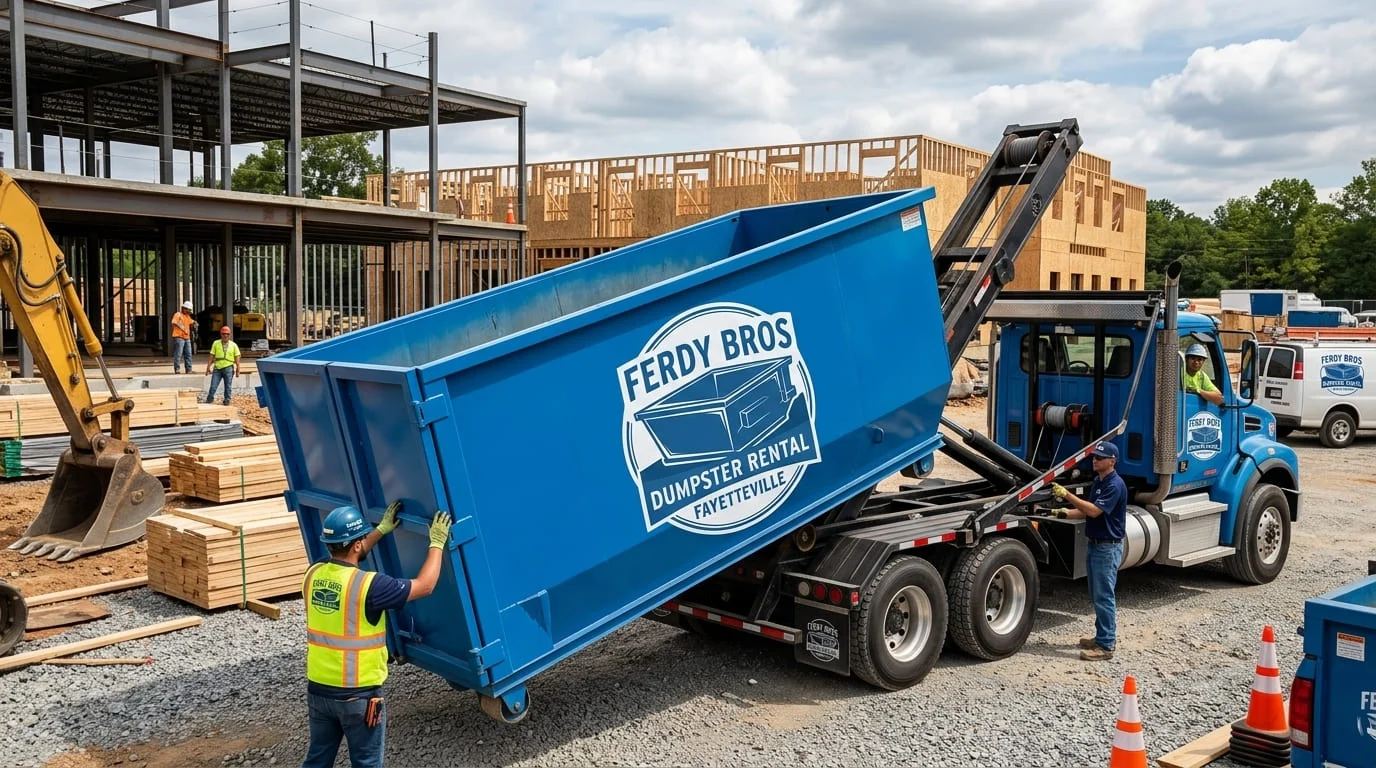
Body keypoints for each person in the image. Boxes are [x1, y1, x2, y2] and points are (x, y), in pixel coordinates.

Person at [302, 503, 452, 768]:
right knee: (367, 763)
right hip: (357, 696)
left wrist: (381, 530)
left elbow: (349, 555)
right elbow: (425, 586)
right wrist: (437, 543)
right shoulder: (370, 586)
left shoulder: (313, 574)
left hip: (318, 691)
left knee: (317, 761)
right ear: (357, 545)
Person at [1049, 441, 1128, 661]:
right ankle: (1101, 636)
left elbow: (1093, 511)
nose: (1095, 460)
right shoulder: (1099, 481)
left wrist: (1067, 495)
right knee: (1097, 594)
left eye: (1100, 458)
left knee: (1104, 596)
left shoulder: (1114, 485)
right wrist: (1063, 513)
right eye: (1094, 457)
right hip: (1096, 544)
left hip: (1107, 547)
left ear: (1112, 461)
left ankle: (1106, 645)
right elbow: (1085, 512)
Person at [204, 326, 241, 405]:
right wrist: (208, 367)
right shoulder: (216, 343)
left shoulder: (233, 345)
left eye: (227, 334)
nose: (225, 336)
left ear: (229, 335)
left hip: (228, 367)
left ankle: (227, 400)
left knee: (228, 386)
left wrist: (238, 369)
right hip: (217, 367)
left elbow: (237, 357)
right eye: (224, 334)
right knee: (213, 385)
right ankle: (209, 399)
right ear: (221, 334)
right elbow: (212, 355)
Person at [170, 300, 196, 374]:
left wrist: (195, 323)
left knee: (188, 354)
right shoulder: (178, 314)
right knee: (178, 354)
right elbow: (174, 322)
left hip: (186, 338)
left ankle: (189, 369)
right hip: (179, 337)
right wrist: (183, 328)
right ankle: (177, 369)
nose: (189, 311)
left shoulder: (187, 316)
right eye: (188, 310)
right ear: (184, 308)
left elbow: (192, 321)